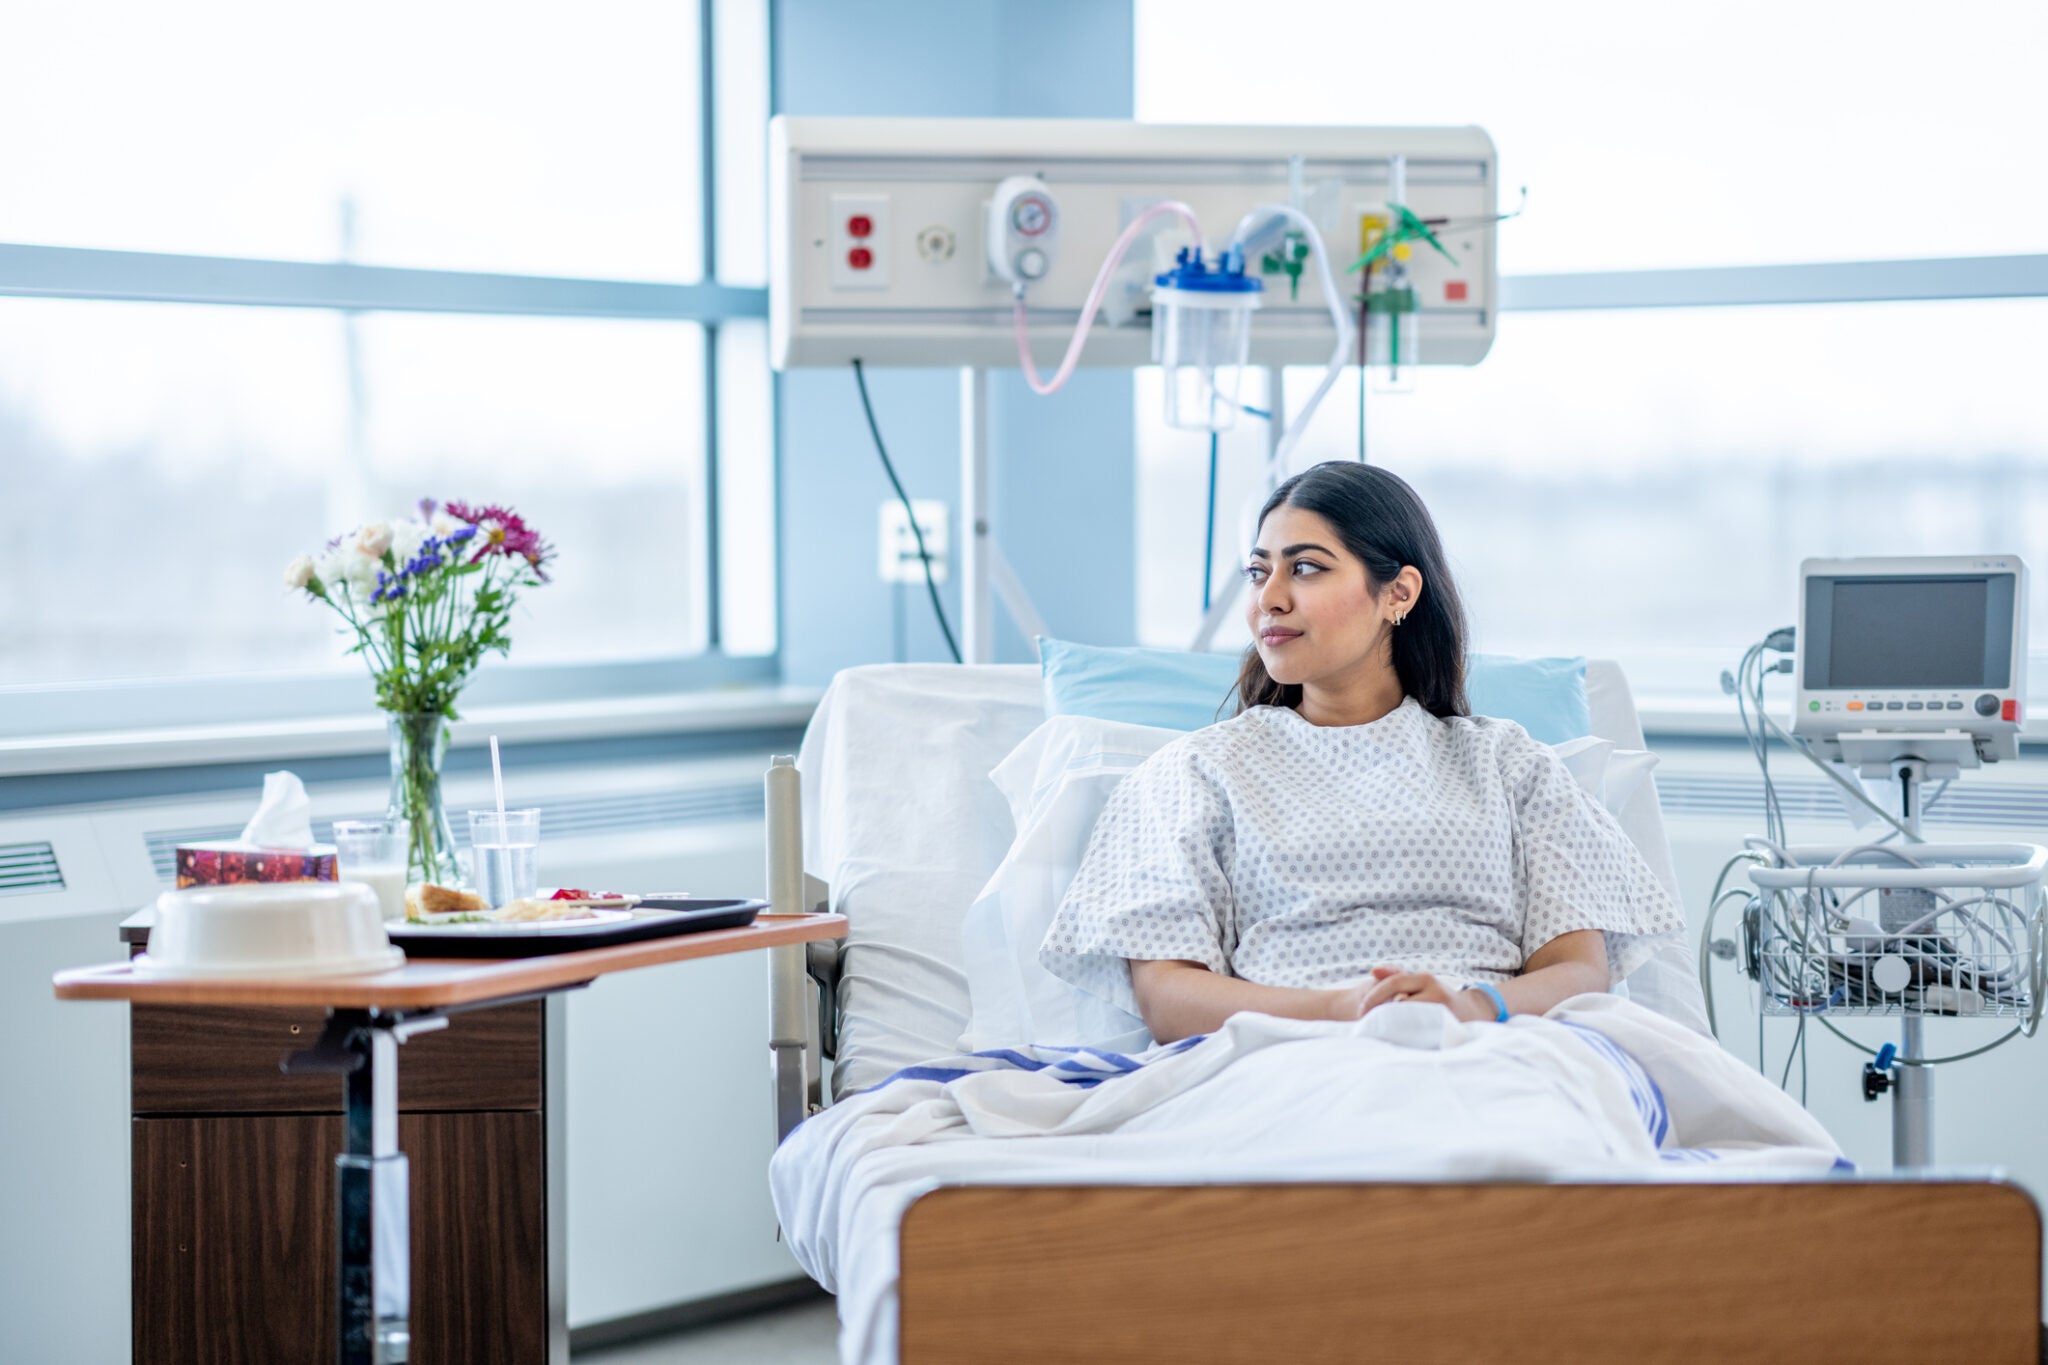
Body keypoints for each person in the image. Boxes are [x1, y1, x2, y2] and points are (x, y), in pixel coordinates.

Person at [1040, 461, 1684, 1044]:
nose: (1270, 598)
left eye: (1307, 567)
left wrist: (1468, 1011)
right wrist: (1341, 1011)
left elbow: (1577, 968)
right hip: (1278, 1060)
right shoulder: (1196, 774)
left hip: (1494, 1052)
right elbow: (1167, 996)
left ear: (1398, 593)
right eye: (1259, 571)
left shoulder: (1510, 766)